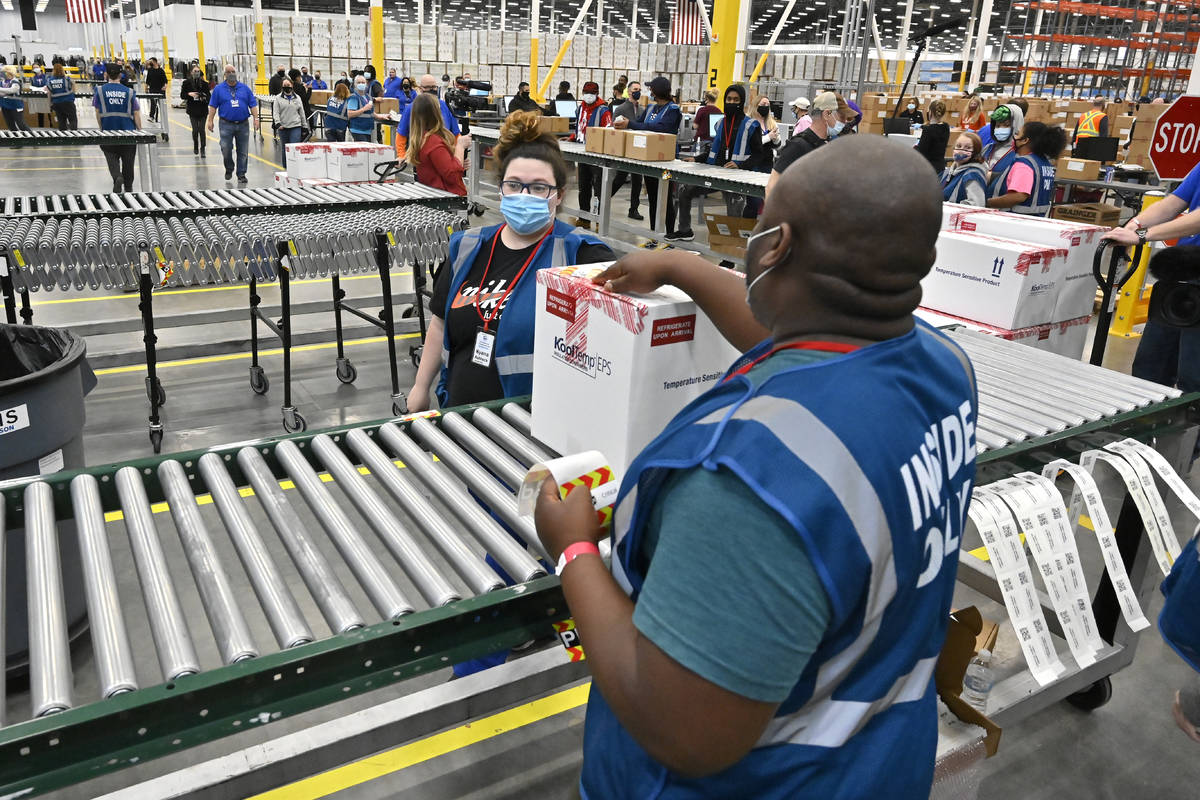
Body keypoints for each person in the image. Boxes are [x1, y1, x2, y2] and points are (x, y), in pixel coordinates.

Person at [533, 134, 977, 800]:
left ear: (777, 246)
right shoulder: (942, 369)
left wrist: (573, 551)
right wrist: (680, 266)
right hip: (872, 766)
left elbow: (683, 731)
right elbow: (794, 336)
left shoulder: (747, 481)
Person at [407, 109, 613, 413]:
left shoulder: (582, 256)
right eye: (514, 185)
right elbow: (439, 323)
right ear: (501, 189)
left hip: (532, 427)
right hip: (458, 415)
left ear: (558, 195)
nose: (524, 195)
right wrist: (420, 388)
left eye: (539, 187)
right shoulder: (467, 246)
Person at [1101, 160, 1200, 391]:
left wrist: (1143, 235)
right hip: (1182, 273)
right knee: (1150, 366)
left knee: (1194, 376)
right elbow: (1173, 203)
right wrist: (1133, 225)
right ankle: (1145, 424)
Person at [670, 84, 762, 241]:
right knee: (684, 191)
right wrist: (697, 159)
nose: (732, 102)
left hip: (736, 179)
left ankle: (731, 251)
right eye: (729, 99)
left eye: (736, 99)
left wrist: (740, 165)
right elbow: (714, 151)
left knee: (734, 210)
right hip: (715, 174)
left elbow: (758, 155)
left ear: (742, 102)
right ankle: (685, 230)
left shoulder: (751, 125)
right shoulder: (720, 124)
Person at [614, 76, 680, 231]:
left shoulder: (673, 110)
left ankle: (669, 234)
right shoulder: (651, 108)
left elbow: (661, 128)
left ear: (657, 91)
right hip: (650, 162)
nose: (649, 91)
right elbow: (642, 125)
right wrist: (627, 123)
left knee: (666, 198)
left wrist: (630, 124)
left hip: (667, 164)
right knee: (652, 197)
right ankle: (654, 234)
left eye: (651, 88)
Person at [767, 91, 848, 197]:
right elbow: (771, 187)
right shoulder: (797, 145)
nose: (845, 121)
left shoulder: (824, 146)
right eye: (842, 117)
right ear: (827, 114)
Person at [985, 121, 1065, 215]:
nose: (1015, 138)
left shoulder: (1024, 164)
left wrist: (987, 202)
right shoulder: (1044, 163)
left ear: (1024, 140)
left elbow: (1018, 196)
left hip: (1015, 221)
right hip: (1034, 220)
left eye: (1018, 134)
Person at [407, 92, 471, 196]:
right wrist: (460, 146)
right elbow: (452, 175)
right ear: (435, 114)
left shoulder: (422, 139)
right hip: (447, 198)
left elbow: (440, 167)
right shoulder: (433, 142)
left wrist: (458, 161)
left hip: (433, 194)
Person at [207, 64, 260, 184]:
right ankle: (229, 168)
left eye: (233, 71)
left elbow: (252, 104)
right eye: (228, 72)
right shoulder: (218, 89)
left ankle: (241, 174)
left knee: (243, 151)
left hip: (243, 124)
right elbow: (213, 106)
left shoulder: (245, 88)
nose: (231, 74)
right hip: (226, 124)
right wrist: (210, 120)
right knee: (226, 148)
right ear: (225, 74)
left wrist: (256, 118)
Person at [93, 63, 142, 192]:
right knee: (128, 162)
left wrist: (101, 127)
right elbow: (136, 112)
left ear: (106, 74)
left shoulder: (99, 90)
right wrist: (140, 130)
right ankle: (129, 187)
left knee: (111, 157)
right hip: (128, 133)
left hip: (108, 132)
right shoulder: (129, 92)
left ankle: (117, 176)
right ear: (120, 75)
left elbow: (97, 112)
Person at [570, 81, 613, 230]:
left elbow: (608, 132)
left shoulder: (603, 111)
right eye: (586, 93)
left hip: (597, 156)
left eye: (592, 93)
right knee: (584, 187)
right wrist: (572, 137)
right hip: (582, 154)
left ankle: (599, 220)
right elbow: (579, 127)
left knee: (599, 189)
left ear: (597, 94)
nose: (588, 96)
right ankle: (584, 218)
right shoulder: (580, 108)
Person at [394, 74, 461, 157]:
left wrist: (458, 155)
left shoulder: (445, 106)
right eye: (428, 87)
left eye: (433, 87)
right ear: (420, 89)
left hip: (444, 155)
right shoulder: (411, 108)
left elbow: (456, 134)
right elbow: (401, 134)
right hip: (421, 156)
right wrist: (401, 155)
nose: (431, 90)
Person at [941, 131, 988, 206]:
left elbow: (977, 204)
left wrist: (949, 206)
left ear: (975, 152)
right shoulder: (947, 172)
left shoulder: (973, 175)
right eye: (959, 146)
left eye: (968, 148)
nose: (961, 151)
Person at [274, 77, 309, 168]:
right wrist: (278, 123)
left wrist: (304, 126)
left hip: (295, 126)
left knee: (294, 147)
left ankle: (295, 167)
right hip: (283, 128)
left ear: (292, 85)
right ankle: (286, 168)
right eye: (284, 86)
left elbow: (301, 112)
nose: (287, 87)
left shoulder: (297, 98)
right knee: (285, 149)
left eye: (288, 85)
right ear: (282, 87)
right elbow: (276, 113)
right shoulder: (277, 98)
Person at [982, 103, 1024, 172]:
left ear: (1016, 126)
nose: (1001, 129)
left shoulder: (1021, 155)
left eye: (1006, 125)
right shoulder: (987, 149)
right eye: (998, 126)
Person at [181, 65, 211, 155]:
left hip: (202, 110)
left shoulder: (205, 84)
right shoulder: (186, 83)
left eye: (198, 71)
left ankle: (203, 148)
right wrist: (189, 94)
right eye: (195, 71)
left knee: (202, 129)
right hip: (192, 109)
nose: (196, 73)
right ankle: (195, 145)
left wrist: (204, 97)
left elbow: (209, 96)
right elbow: (182, 95)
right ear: (191, 72)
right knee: (195, 130)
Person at [915, 99, 950, 173]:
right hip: (940, 166)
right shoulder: (946, 126)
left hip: (928, 168)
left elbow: (922, 152)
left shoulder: (928, 130)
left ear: (930, 112)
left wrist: (915, 147)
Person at [345, 75, 377, 142]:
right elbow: (350, 114)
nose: (361, 84)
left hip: (368, 130)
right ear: (355, 84)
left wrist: (382, 116)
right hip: (357, 130)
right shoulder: (354, 97)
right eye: (359, 82)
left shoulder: (368, 97)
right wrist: (364, 109)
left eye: (363, 82)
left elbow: (371, 112)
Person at [47, 63, 78, 131]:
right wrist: (73, 93)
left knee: (61, 122)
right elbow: (73, 83)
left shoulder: (50, 80)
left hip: (57, 104)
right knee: (72, 120)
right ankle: (74, 136)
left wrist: (50, 104)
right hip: (68, 102)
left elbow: (49, 93)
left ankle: (64, 138)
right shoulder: (66, 78)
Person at [0, 66, 31, 132]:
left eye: (4, 72)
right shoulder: (2, 82)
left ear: (9, 72)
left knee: (21, 124)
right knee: (10, 125)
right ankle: (16, 139)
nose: (2, 73)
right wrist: (4, 92)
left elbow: (12, 90)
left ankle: (33, 138)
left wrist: (2, 90)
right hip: (5, 106)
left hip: (15, 106)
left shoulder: (15, 81)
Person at [144, 57, 167, 122]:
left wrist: (165, 86)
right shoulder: (150, 70)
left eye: (150, 61)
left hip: (160, 90)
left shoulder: (161, 70)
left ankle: (163, 117)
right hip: (152, 89)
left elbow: (165, 80)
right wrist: (146, 88)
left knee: (161, 104)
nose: (149, 63)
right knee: (153, 104)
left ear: (154, 62)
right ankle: (151, 117)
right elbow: (148, 80)